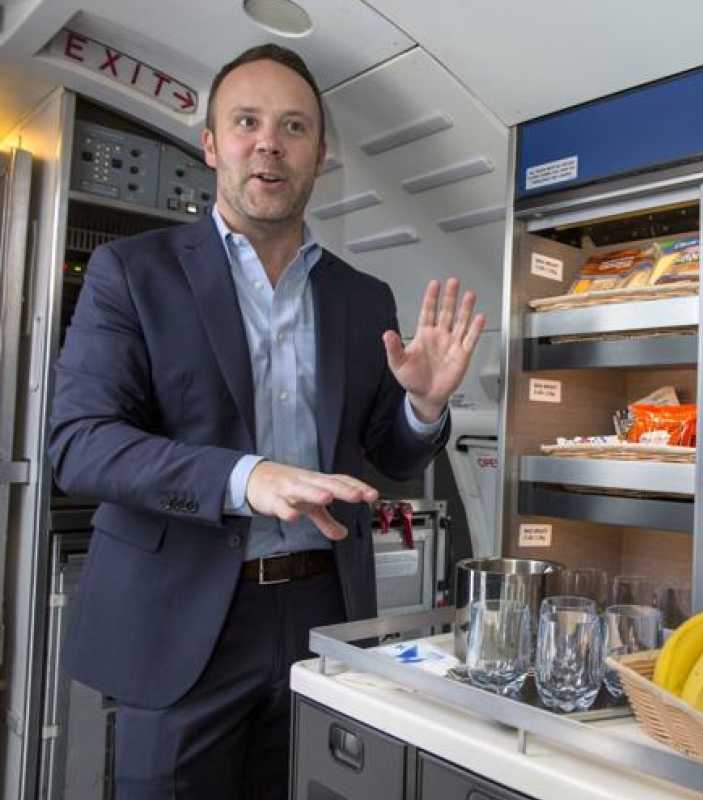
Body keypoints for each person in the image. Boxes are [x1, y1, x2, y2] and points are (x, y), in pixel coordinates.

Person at [47, 44, 484, 799]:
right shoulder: (134, 273)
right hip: (182, 617)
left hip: (324, 614)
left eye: (293, 127)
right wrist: (247, 478)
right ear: (212, 143)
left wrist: (425, 405)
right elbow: (80, 445)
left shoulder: (361, 297)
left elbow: (386, 454)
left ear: (320, 154)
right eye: (246, 121)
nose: (269, 143)